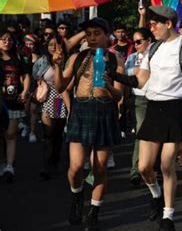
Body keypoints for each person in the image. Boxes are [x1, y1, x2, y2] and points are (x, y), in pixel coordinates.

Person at [110, 5, 182, 231]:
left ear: (169, 24)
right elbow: (140, 81)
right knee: (144, 167)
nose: (150, 28)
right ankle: (156, 194)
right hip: (153, 109)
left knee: (166, 164)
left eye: (154, 24)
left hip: (175, 110)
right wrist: (113, 75)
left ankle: (168, 216)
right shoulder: (152, 49)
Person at [52, 18, 124, 230]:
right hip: (81, 111)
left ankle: (94, 210)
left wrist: (108, 84)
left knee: (100, 167)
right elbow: (61, 86)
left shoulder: (115, 59)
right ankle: (77, 197)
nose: (92, 38)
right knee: (75, 168)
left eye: (97, 33)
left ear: (107, 35)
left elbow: (119, 95)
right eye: (88, 34)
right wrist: (57, 65)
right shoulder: (77, 57)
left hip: (104, 111)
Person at [32, 35, 69, 180]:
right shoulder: (43, 61)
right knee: (48, 133)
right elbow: (34, 75)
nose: (53, 47)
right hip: (47, 98)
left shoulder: (66, 60)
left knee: (57, 132)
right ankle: (46, 166)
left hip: (60, 98)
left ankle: (55, 159)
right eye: (50, 45)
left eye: (56, 44)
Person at [0, 29, 31, 183]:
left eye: (9, 40)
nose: (7, 42)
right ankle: (3, 162)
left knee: (11, 134)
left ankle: (9, 165)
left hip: (13, 101)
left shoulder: (17, 58)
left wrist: (25, 90)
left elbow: (25, 76)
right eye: (4, 39)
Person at [125, 27, 153, 186]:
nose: (136, 45)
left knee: (157, 135)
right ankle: (136, 170)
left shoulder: (158, 55)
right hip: (140, 99)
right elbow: (129, 75)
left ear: (149, 41)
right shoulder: (132, 57)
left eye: (139, 42)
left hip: (158, 98)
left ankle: (154, 168)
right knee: (141, 133)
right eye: (134, 42)